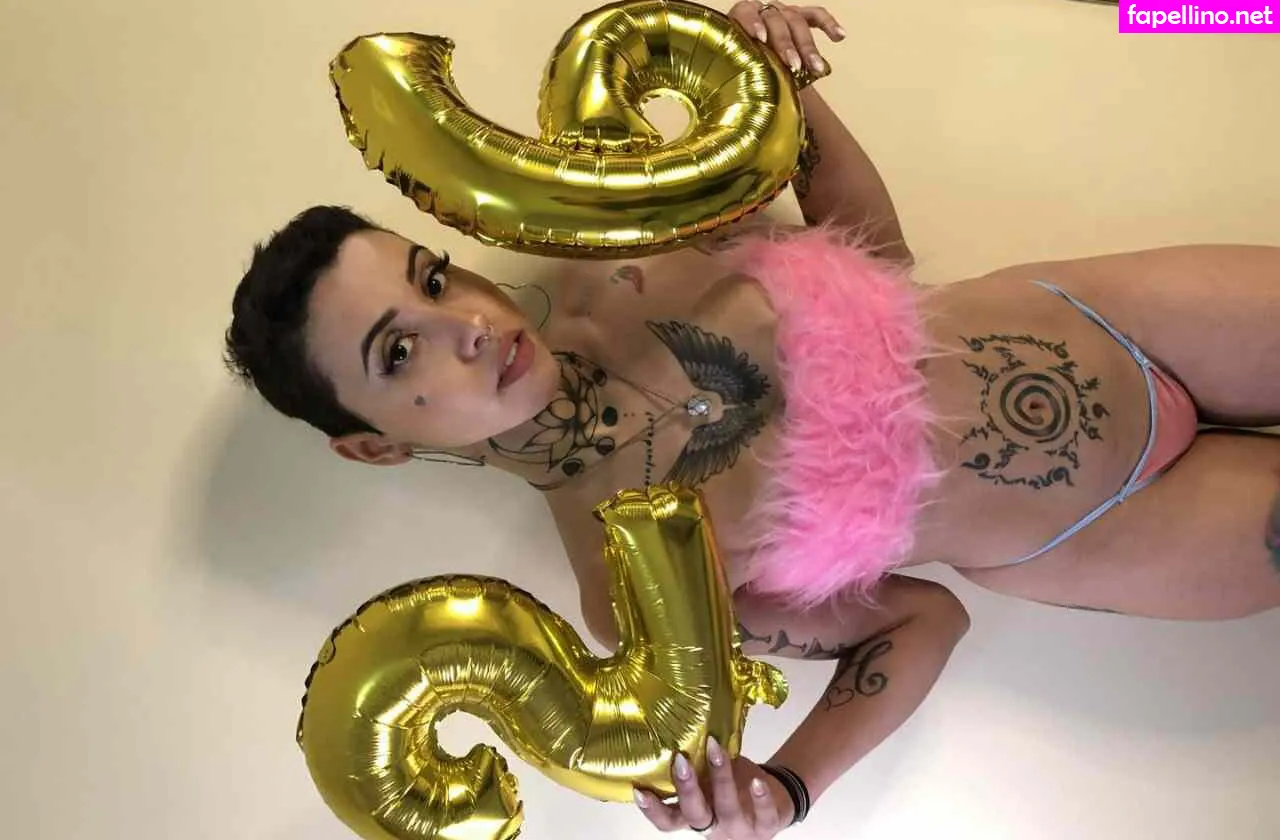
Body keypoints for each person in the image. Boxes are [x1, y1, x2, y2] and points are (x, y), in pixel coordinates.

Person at [224, 1, 1280, 836]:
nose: (463, 324)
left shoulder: (619, 251)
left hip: (1108, 316)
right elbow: (919, 622)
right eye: (398, 351)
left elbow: (874, 252)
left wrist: (774, 84)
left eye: (432, 277)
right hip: (1098, 533)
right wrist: (785, 788)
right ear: (374, 444)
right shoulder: (629, 590)